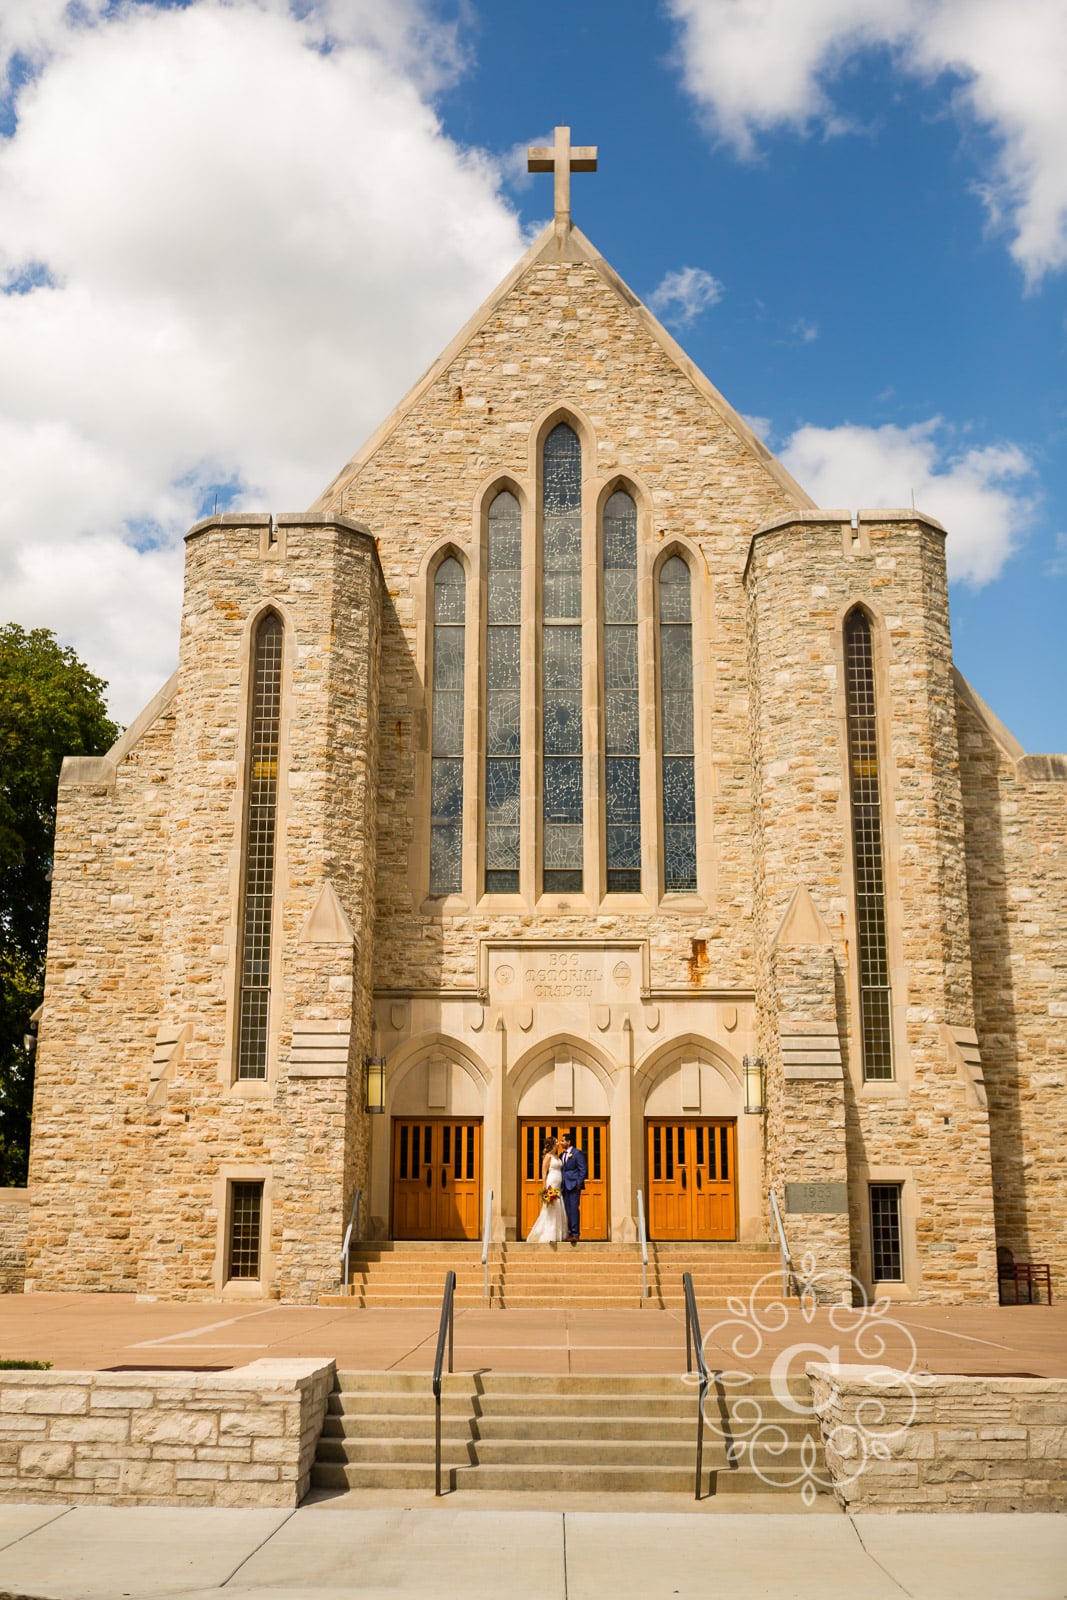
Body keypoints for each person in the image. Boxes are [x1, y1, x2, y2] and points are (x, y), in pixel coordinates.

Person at [526, 1136, 566, 1244]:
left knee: (557, 1208)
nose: (558, 1143)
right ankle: (549, 1235)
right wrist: (545, 1188)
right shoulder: (548, 1156)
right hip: (551, 1183)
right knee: (550, 1209)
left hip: (558, 1185)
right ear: (552, 1144)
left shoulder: (557, 1156)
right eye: (556, 1142)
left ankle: (558, 1234)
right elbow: (544, 1173)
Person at [558, 1130, 587, 1245]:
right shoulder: (561, 1155)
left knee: (574, 1209)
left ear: (569, 1142)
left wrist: (578, 1183)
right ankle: (569, 1232)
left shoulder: (577, 1153)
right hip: (564, 1186)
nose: (561, 1142)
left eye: (563, 1140)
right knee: (567, 1210)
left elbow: (583, 1169)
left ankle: (575, 1234)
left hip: (574, 1185)